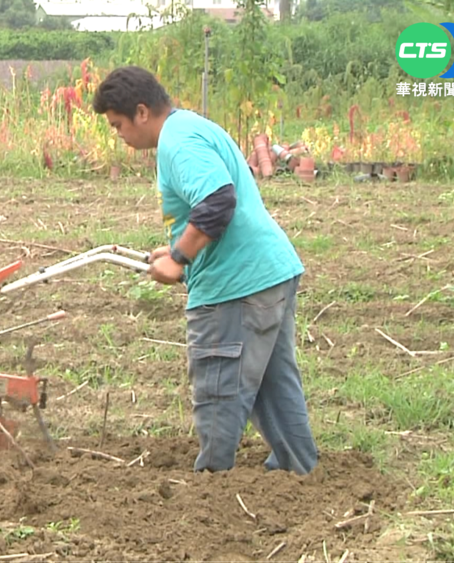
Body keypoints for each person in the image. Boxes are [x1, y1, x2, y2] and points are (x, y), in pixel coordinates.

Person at [91, 65, 319, 476]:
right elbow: (210, 205)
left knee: (218, 394)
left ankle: (210, 497)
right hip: (268, 272)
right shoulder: (190, 126)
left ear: (142, 112)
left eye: (118, 124)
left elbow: (217, 202)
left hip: (237, 287)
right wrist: (177, 245)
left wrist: (179, 259)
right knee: (272, 386)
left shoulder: (177, 144)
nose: (118, 135)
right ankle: (300, 475)